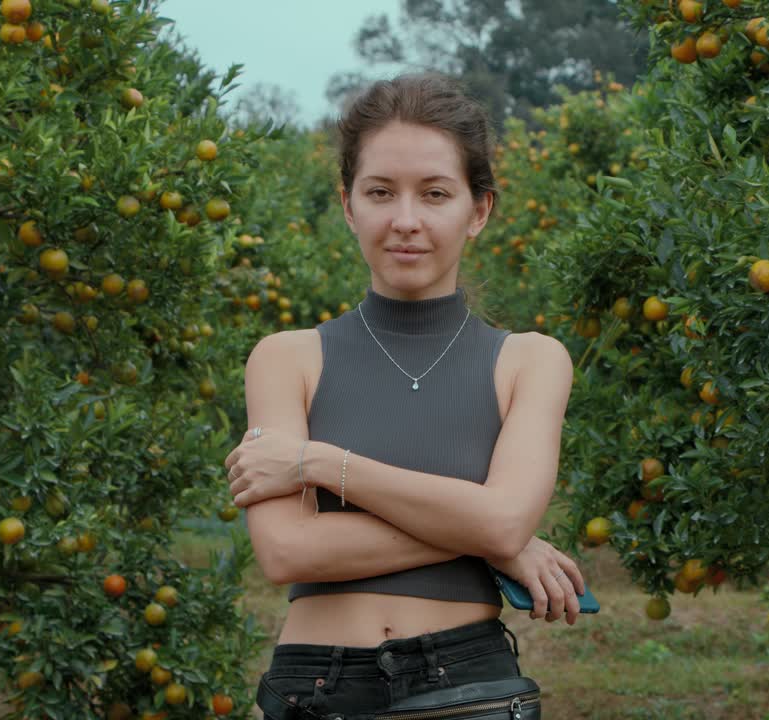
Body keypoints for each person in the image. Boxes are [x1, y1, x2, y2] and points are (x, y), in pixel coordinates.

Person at [224, 72, 583, 719]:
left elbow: (505, 520)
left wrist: (315, 462)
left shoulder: (531, 360)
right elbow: (286, 551)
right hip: (314, 689)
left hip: (467, 687)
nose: (406, 220)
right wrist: (483, 530)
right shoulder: (285, 358)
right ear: (348, 205)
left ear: (478, 211)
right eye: (381, 192)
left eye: (435, 193)